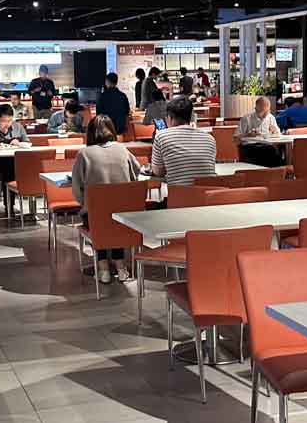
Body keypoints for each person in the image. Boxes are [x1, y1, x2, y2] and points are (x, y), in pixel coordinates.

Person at [71, 114, 141, 284]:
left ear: (90, 133)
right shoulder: (122, 149)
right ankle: (120, 266)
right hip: (123, 214)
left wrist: (84, 203)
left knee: (97, 216)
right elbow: (137, 170)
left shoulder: (84, 154)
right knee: (115, 217)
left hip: (96, 216)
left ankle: (103, 268)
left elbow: (76, 188)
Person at [150, 96, 216, 187]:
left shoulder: (161, 137)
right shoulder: (210, 138)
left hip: (180, 194)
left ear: (170, 118)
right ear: (191, 117)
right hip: (209, 193)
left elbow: (158, 172)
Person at [235, 96, 283, 167]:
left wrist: (275, 131)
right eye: (262, 112)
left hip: (267, 146)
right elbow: (236, 138)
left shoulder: (271, 117)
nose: (265, 115)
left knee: (277, 157)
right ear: (256, 109)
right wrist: (248, 134)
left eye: (267, 112)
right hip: (250, 147)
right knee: (263, 155)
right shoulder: (246, 119)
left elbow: (279, 134)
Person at [96, 72, 131, 137]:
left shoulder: (102, 96)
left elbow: (99, 114)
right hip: (120, 129)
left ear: (107, 81)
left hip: (107, 129)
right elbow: (127, 112)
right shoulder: (123, 96)